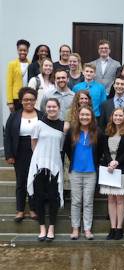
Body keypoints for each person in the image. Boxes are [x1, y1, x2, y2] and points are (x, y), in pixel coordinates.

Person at [27, 98, 68, 241]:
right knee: (38, 198)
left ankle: (51, 227)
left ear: (58, 108)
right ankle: (42, 228)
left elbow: (61, 147)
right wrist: (39, 160)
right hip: (39, 165)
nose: (51, 109)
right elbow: (34, 144)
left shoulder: (64, 126)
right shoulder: (38, 124)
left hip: (54, 165)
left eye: (54, 106)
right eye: (49, 107)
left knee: (53, 197)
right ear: (46, 108)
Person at [64, 106, 103, 240]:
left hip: (91, 172)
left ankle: (87, 229)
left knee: (88, 202)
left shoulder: (97, 132)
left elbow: (101, 151)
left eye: (87, 115)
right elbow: (67, 150)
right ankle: (75, 229)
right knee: (75, 201)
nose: (85, 117)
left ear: (91, 117)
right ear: (78, 116)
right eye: (82, 115)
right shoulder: (71, 132)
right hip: (75, 171)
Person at [5, 87, 42, 222]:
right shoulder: (14, 115)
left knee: (35, 180)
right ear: (21, 101)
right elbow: (7, 135)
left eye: (31, 99)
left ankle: (33, 209)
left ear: (35, 100)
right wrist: (9, 154)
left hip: (37, 150)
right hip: (19, 150)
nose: (29, 102)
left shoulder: (41, 115)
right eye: (26, 99)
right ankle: (20, 210)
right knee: (21, 181)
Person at [100, 108, 124, 240]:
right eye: (115, 115)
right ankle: (112, 227)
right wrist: (110, 162)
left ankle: (119, 228)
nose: (118, 117)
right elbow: (105, 150)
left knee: (120, 200)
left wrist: (117, 162)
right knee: (111, 199)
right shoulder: (107, 132)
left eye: (120, 115)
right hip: (109, 169)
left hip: (122, 169)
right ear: (112, 116)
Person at [6, 39, 31, 112]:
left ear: (28, 51)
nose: (22, 52)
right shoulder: (12, 64)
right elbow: (9, 84)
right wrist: (10, 102)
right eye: (20, 50)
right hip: (16, 98)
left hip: (28, 96)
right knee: (16, 119)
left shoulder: (31, 63)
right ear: (17, 50)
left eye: (25, 50)